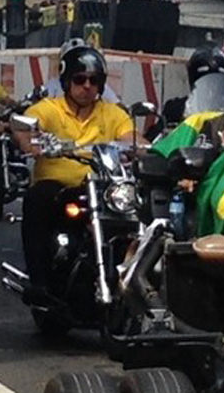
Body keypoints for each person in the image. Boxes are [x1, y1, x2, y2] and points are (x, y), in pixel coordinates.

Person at [13, 45, 135, 295]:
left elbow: (131, 137)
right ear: (67, 81)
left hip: (102, 187)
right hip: (58, 186)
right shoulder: (49, 108)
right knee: (36, 199)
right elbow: (24, 127)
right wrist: (30, 143)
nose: (87, 86)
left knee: (136, 212)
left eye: (94, 80)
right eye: (80, 79)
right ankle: (39, 280)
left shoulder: (112, 113)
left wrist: (147, 149)